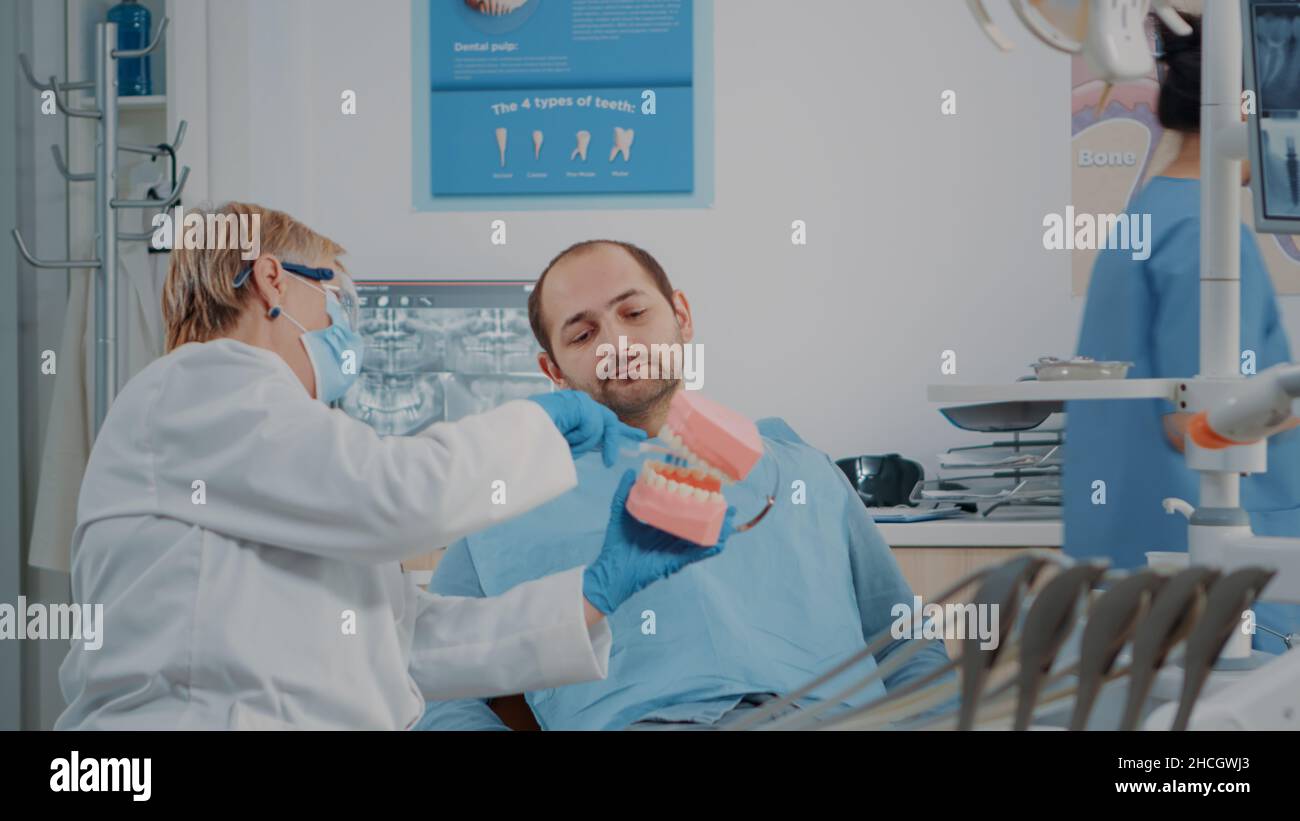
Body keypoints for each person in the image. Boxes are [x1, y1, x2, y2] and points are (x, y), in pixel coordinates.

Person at [56, 203, 734, 730]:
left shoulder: (283, 447)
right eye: (334, 299)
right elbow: (393, 495)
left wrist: (597, 589)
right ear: (271, 278)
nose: (343, 324)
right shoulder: (202, 384)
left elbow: (414, 646)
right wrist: (546, 421)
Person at [418, 240, 951, 731]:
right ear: (552, 370)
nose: (617, 343)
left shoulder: (802, 472)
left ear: (681, 316)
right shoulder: (502, 505)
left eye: (634, 313)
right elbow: (433, 684)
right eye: (583, 334)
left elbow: (906, 645)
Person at [1064, 15, 1300, 653]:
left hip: (1136, 563)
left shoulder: (1149, 217)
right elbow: (1195, 421)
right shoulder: (1206, 238)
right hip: (1212, 571)